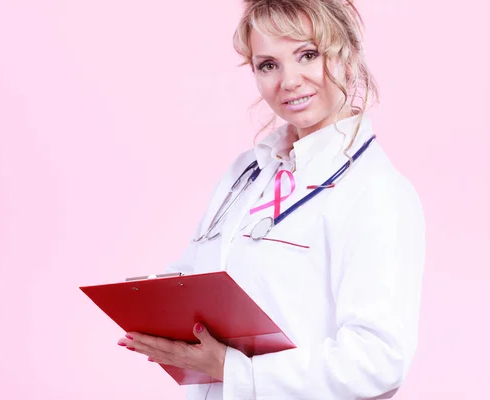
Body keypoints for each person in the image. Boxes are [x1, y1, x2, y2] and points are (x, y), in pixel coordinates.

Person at [117, 0, 426, 399]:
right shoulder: (247, 173)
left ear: (346, 54)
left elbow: (379, 360)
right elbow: (204, 276)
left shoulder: (377, 192)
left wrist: (237, 371)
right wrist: (152, 304)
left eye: (308, 55)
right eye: (268, 65)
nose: (289, 80)